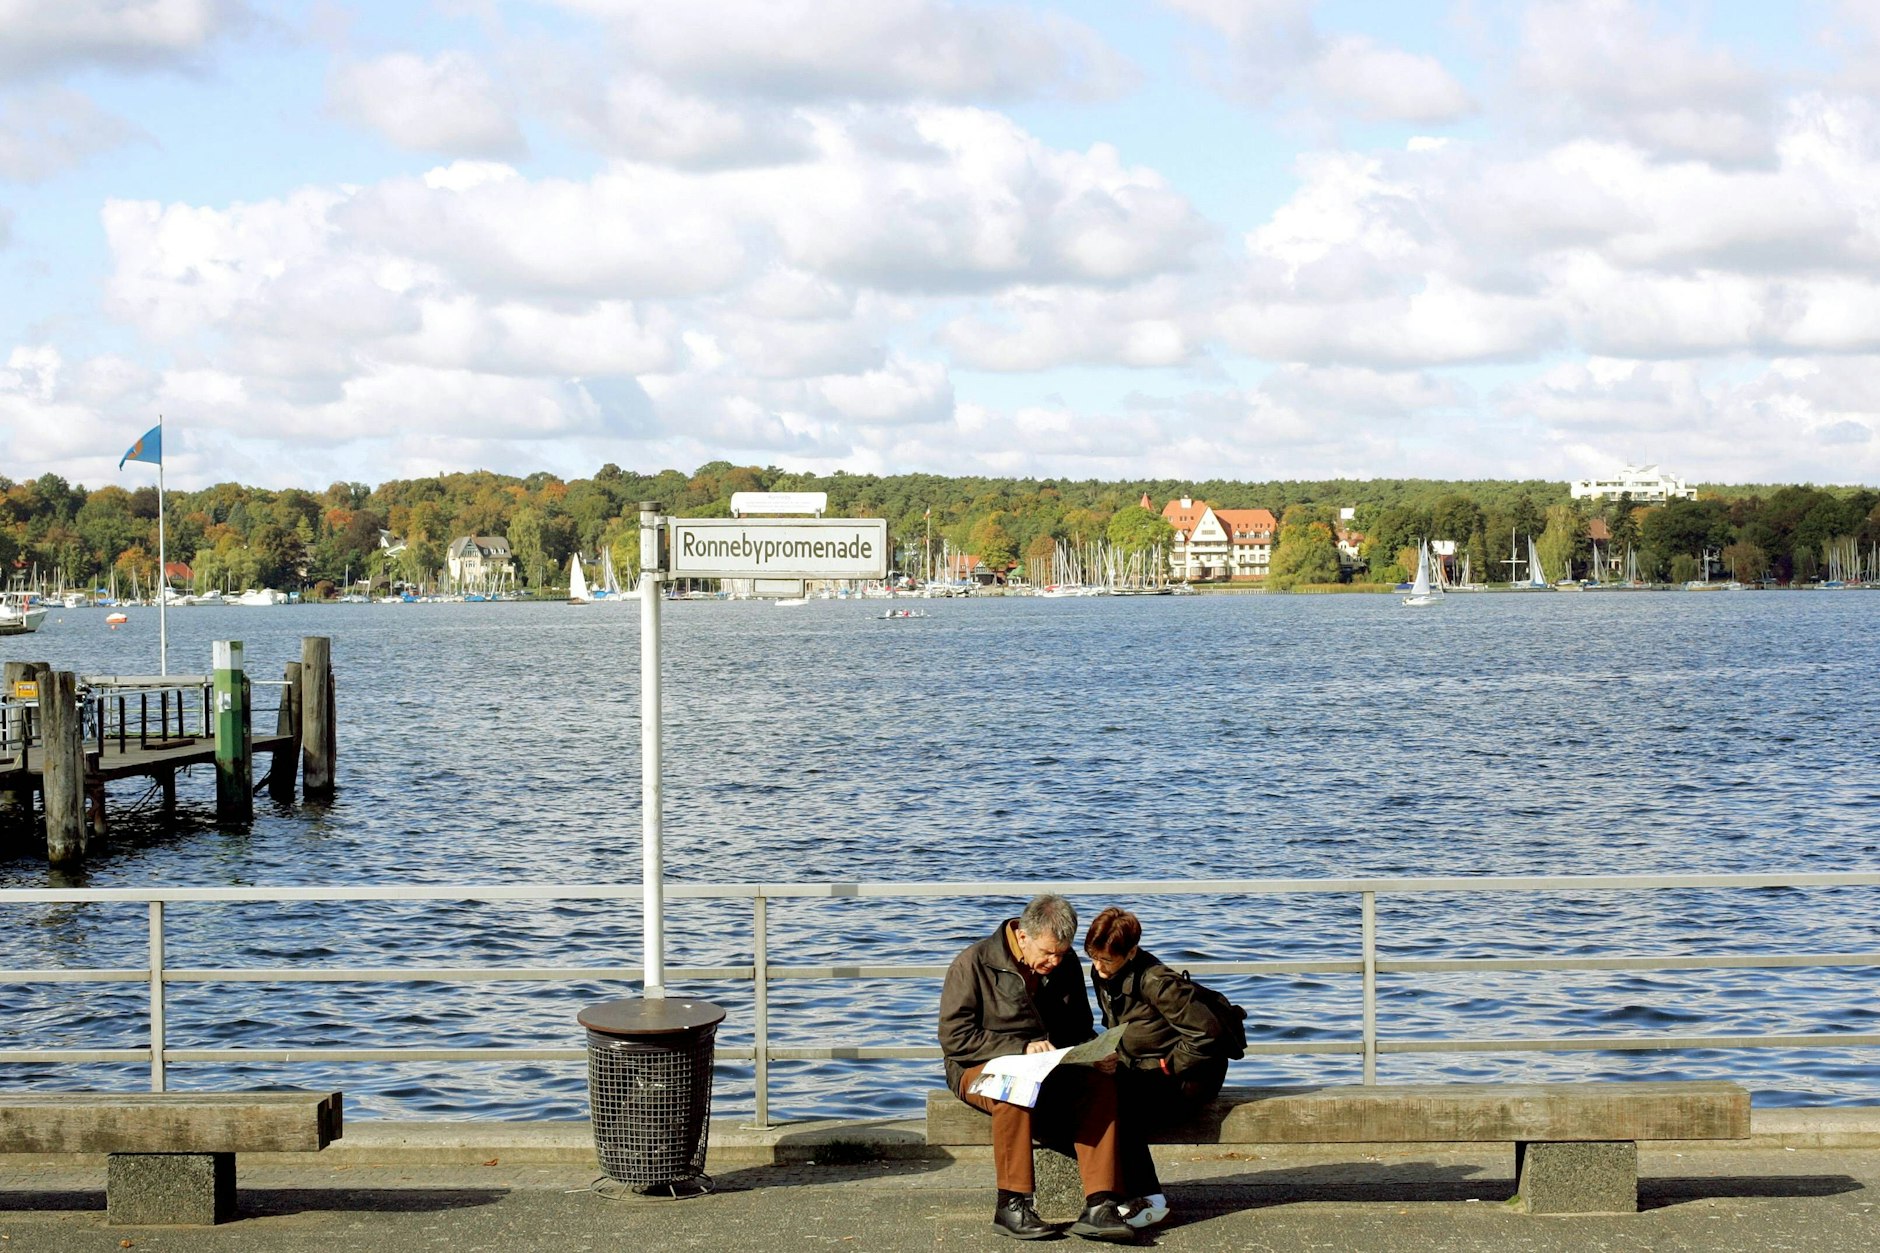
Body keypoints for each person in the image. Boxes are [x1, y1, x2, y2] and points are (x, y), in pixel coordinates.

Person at [938, 894, 1134, 1242]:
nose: (1055, 961)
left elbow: (1077, 1024)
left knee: (1100, 1084)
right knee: (1013, 1088)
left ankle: (1101, 1205)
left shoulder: (1066, 961)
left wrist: (1094, 1052)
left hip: (1047, 1065)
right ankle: (1012, 1206)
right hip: (975, 1068)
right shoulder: (972, 963)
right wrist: (1020, 1049)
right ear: (1023, 936)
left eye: (1061, 953)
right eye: (1048, 953)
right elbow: (954, 1038)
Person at [1084, 906, 1234, 1231]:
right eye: (1093, 958)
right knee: (1094, 1094)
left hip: (1188, 1077)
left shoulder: (1159, 984)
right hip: (1141, 1068)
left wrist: (1168, 1066)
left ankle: (1153, 1202)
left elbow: (1209, 1035)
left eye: (1107, 960)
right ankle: (1122, 1195)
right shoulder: (1103, 974)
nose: (1099, 968)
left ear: (1132, 952)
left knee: (1121, 1108)